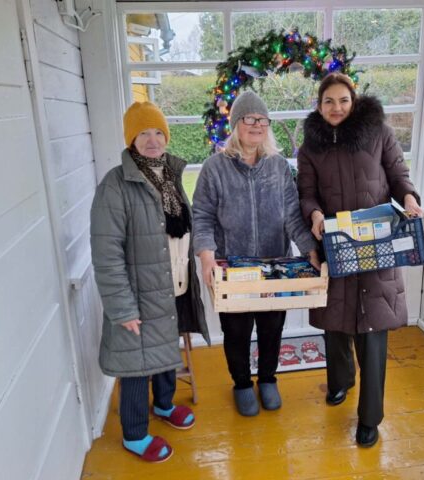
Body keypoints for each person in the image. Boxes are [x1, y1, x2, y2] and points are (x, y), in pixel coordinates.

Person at [297, 72, 424, 448]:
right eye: (328, 101)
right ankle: (340, 382)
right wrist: (314, 214)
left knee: (372, 331)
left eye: (343, 100)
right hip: (335, 242)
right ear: (319, 106)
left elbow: (399, 175)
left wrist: (410, 197)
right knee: (334, 322)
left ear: (354, 101)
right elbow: (306, 193)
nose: (336, 108)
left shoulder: (379, 133)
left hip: (376, 243)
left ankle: (370, 417)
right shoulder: (310, 147)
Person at [90, 101, 210, 463]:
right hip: (138, 295)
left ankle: (164, 405)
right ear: (131, 139)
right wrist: (122, 308)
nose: (153, 140)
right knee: (136, 365)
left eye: (158, 132)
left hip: (173, 286)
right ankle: (134, 434)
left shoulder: (169, 176)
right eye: (143, 133)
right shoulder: (115, 185)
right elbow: (106, 253)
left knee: (164, 351)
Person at [193, 90, 319, 417]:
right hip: (232, 267)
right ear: (236, 124)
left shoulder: (278, 167)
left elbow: (292, 215)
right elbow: (202, 216)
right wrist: (206, 255)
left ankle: (267, 379)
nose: (257, 125)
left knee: (271, 328)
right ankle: (241, 384)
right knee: (236, 331)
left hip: (275, 265)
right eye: (249, 118)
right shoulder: (214, 168)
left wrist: (310, 249)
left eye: (263, 120)